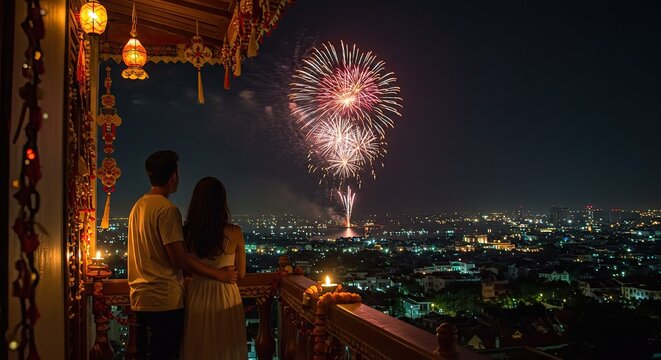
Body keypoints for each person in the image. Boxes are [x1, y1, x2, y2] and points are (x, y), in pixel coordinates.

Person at [128, 150, 238, 360]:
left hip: (140, 298)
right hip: (164, 299)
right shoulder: (167, 210)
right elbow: (179, 258)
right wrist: (218, 274)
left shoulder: (138, 207)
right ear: (173, 176)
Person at [180, 177, 247, 360]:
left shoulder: (186, 232)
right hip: (226, 296)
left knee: (199, 346)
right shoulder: (235, 232)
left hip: (196, 293)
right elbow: (240, 273)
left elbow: (183, 265)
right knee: (225, 347)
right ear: (222, 202)